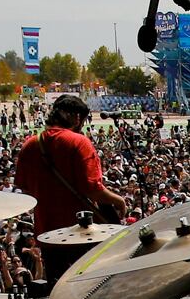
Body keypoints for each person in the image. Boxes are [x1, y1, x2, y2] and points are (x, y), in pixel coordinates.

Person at [12, 93, 125, 283]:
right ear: (77, 117)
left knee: (59, 286)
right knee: (92, 285)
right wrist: (119, 200)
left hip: (48, 233)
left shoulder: (30, 145)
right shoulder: (78, 142)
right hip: (84, 233)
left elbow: (25, 189)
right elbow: (92, 189)